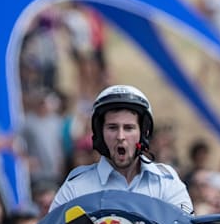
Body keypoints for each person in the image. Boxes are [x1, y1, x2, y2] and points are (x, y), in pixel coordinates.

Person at [49, 85, 193, 214]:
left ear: (143, 133)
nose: (120, 136)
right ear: (100, 133)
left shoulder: (166, 182)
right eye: (112, 128)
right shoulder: (76, 188)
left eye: (129, 128)